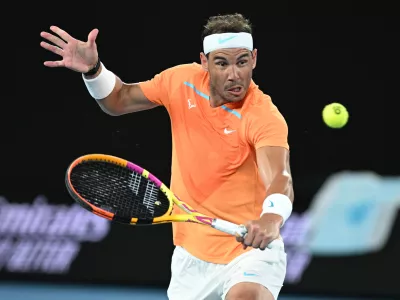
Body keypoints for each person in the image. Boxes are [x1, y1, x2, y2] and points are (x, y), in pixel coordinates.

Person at [40, 13, 294, 300]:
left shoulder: (264, 117)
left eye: (242, 62)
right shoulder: (181, 81)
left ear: (255, 58)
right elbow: (118, 99)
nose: (234, 74)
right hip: (191, 257)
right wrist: (94, 70)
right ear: (204, 61)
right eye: (222, 63)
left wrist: (271, 219)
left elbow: (280, 178)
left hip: (250, 254)